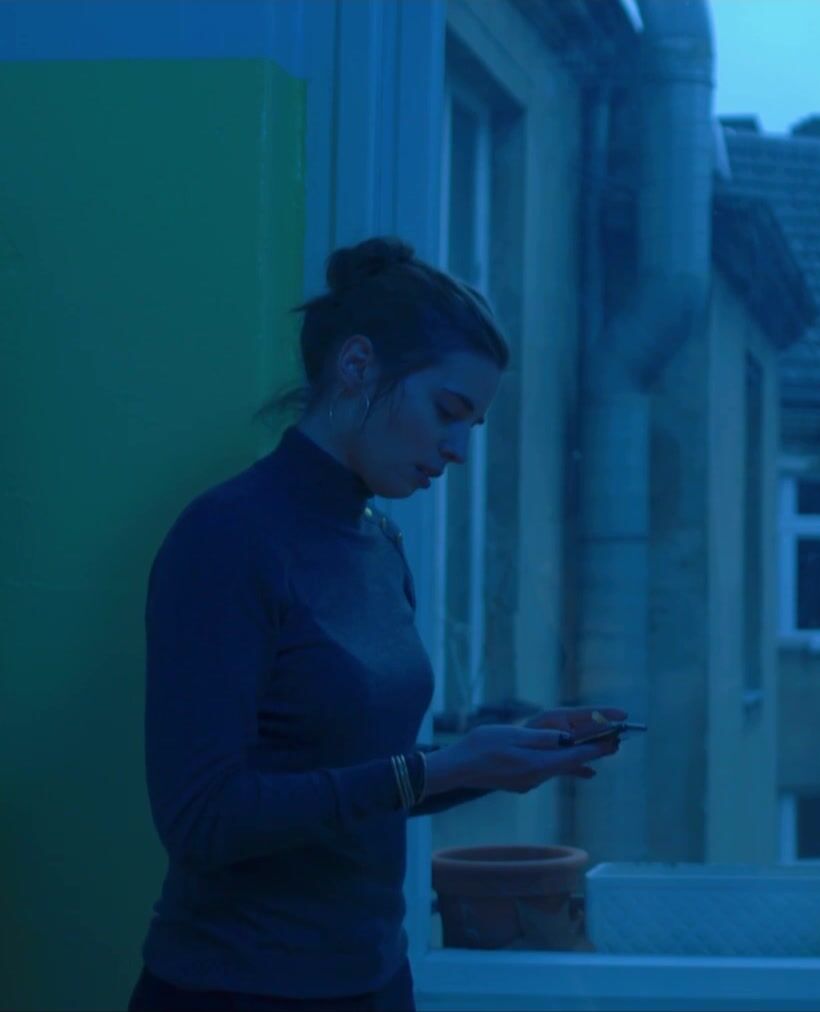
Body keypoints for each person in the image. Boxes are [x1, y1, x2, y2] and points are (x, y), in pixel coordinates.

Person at [129, 237, 624, 1012]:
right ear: (357, 365)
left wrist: (487, 761)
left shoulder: (379, 542)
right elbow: (204, 819)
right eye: (447, 412)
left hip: (374, 983)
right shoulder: (227, 538)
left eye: (473, 426)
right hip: (234, 989)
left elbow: (359, 780)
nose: (458, 450)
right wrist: (441, 771)